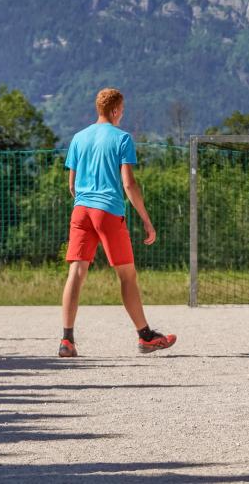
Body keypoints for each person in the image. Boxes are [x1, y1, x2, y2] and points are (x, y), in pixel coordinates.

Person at [58, 87, 176, 357]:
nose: (122, 114)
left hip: (81, 210)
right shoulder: (122, 138)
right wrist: (147, 219)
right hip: (108, 211)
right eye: (121, 110)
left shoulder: (78, 138)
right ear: (114, 110)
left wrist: (85, 200)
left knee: (76, 273)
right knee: (127, 275)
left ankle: (67, 340)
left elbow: (72, 185)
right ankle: (145, 336)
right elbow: (128, 184)